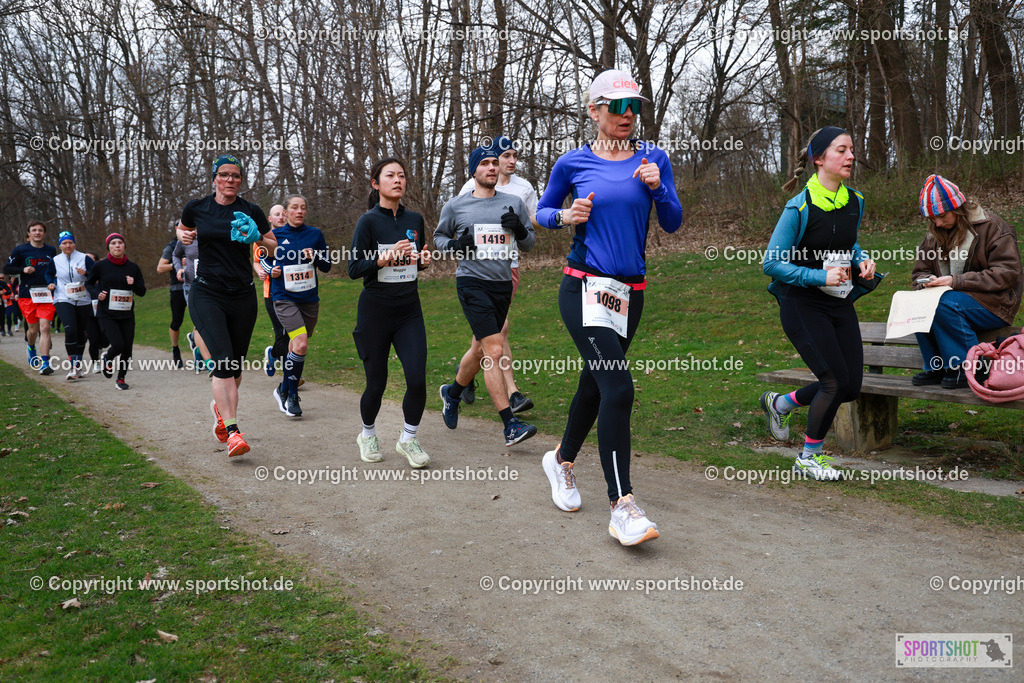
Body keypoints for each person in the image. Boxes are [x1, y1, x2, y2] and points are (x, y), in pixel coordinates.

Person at [535, 69, 681, 547]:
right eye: (616, 107)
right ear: (594, 110)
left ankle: (561, 461)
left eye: (634, 106)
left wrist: (659, 188)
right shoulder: (572, 162)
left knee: (596, 385)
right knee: (618, 387)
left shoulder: (653, 157)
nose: (627, 115)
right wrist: (565, 214)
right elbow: (541, 212)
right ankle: (622, 506)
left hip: (630, 293)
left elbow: (674, 222)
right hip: (583, 288)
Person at [760, 126, 877, 481]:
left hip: (837, 302)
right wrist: (818, 277)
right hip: (801, 303)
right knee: (832, 382)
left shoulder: (854, 201)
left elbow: (849, 243)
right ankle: (809, 457)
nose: (851, 156)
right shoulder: (799, 207)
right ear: (819, 159)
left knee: (850, 386)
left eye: (852, 149)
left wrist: (863, 260)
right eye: (841, 150)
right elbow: (771, 263)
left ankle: (780, 403)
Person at [434, 143, 538, 446]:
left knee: (480, 350)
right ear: (474, 170)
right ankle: (511, 425)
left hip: (502, 284)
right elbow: (440, 237)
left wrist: (519, 229)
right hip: (471, 282)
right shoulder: (456, 205)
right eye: (485, 164)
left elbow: (529, 243)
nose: (492, 168)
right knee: (494, 350)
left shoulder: (514, 202)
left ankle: (451, 393)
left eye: (495, 163)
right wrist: (455, 246)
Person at [176, 155, 277, 458]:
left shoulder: (251, 210)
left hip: (242, 294)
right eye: (224, 174)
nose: (230, 180)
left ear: (240, 180)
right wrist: (182, 234)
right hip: (207, 292)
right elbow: (182, 230)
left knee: (234, 366)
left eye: (236, 175)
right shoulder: (198, 208)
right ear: (214, 178)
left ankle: (221, 412)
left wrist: (258, 236)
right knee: (222, 361)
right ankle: (233, 432)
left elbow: (273, 243)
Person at [348, 158, 432, 467]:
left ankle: (408, 439)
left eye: (401, 176)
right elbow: (354, 268)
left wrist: (423, 261)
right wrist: (384, 258)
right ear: (376, 183)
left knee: (417, 378)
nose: (397, 180)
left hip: (409, 310)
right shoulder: (368, 222)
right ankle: (367, 434)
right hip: (376, 312)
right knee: (376, 383)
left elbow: (416, 262)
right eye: (390, 175)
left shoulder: (415, 219)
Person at [910, 175, 1022, 388]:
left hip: (996, 303)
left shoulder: (992, 227)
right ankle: (937, 366)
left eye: (942, 216)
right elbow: (919, 272)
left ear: (958, 209)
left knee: (944, 302)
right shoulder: (934, 235)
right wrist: (925, 282)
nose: (938, 223)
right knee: (919, 303)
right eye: (932, 219)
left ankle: (969, 367)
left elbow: (1007, 272)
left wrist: (956, 281)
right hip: (955, 300)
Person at [457, 135, 538, 413]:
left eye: (515, 156)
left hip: (508, 268)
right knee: (498, 331)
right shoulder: (471, 185)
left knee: (488, 335)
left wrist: (556, 218)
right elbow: (458, 222)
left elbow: (533, 222)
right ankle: (513, 393)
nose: (511, 161)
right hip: (476, 271)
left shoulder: (523, 188)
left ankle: (464, 376)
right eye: (505, 157)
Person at [266, 195, 331, 417]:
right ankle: (292, 395)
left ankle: (282, 388)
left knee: (297, 345)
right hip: (284, 297)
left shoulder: (315, 234)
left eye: (303, 207)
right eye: (294, 207)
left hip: (309, 299)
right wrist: (270, 270)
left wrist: (316, 257)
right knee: (301, 344)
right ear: (285, 212)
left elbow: (327, 265)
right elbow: (262, 257)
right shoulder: (275, 234)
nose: (299, 211)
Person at [85, 233, 146, 389]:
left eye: (120, 243)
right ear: (108, 247)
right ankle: (108, 357)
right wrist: (97, 294)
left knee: (127, 349)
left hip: (126, 314)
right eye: (113, 243)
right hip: (107, 313)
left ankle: (121, 379)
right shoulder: (100, 266)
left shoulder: (133, 267)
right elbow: (89, 283)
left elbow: (142, 291)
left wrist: (133, 284)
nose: (117, 245)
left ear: (124, 246)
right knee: (118, 345)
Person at [4, 221, 57, 374]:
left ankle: (45, 363)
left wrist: (53, 283)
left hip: (46, 295)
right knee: (33, 330)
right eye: (34, 230)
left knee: (45, 327)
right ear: (29, 234)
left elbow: (54, 270)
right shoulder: (20, 250)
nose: (37, 233)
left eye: (40, 230)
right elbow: (7, 268)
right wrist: (23, 269)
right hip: (27, 295)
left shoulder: (51, 250)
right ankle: (31, 347)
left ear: (44, 234)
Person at [45, 231, 95, 380]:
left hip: (83, 299)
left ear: (74, 244)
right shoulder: (55, 260)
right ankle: (73, 366)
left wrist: (86, 273)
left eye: (70, 243)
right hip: (63, 298)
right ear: (60, 245)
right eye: (64, 243)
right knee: (70, 329)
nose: (68, 245)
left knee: (81, 332)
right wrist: (50, 283)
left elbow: (96, 275)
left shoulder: (84, 258)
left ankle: (78, 365)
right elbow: (48, 273)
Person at [173, 216, 214, 373]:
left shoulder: (213, 239)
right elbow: (176, 255)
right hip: (192, 287)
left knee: (213, 323)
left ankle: (199, 350)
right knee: (200, 323)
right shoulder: (186, 239)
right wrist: (178, 269)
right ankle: (209, 362)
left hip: (212, 287)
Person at [258, 204, 289, 378]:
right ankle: (289, 375)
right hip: (272, 292)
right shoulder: (264, 239)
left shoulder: (294, 235)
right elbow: (259, 260)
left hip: (294, 291)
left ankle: (273, 354)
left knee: (294, 333)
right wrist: (267, 271)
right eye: (276, 214)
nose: (281, 217)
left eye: (283, 214)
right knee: (282, 332)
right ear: (270, 219)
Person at [157, 233, 187, 368]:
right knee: (177, 321)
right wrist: (177, 264)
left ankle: (200, 352)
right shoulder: (172, 246)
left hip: (196, 286)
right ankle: (175, 349)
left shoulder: (198, 242)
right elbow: (160, 268)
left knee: (201, 320)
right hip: (178, 288)